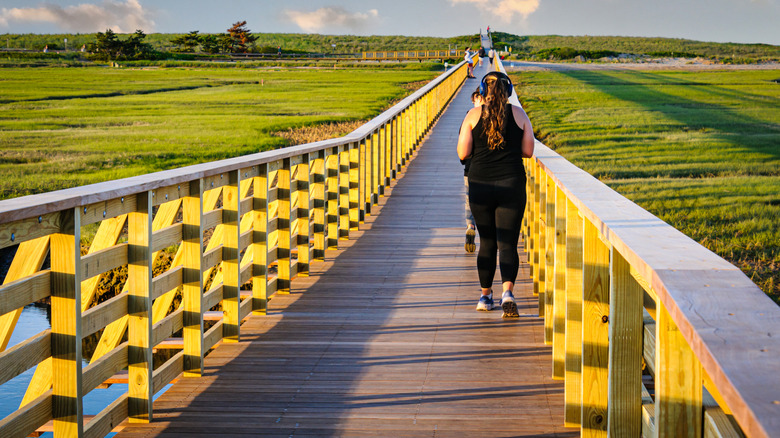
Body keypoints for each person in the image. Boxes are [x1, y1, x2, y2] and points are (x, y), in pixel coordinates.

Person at [457, 71, 534, 318]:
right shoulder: (519, 115)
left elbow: (462, 153)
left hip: (480, 184)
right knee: (508, 243)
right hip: (512, 183)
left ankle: (485, 296)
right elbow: (528, 151)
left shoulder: (473, 115)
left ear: (482, 90)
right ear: (508, 91)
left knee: (487, 242)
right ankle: (508, 293)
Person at [462, 88, 485, 253]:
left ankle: (470, 225)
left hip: (472, 168)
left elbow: (463, 151)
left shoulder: (469, 117)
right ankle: (487, 231)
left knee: (470, 199)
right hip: (494, 169)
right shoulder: (501, 116)